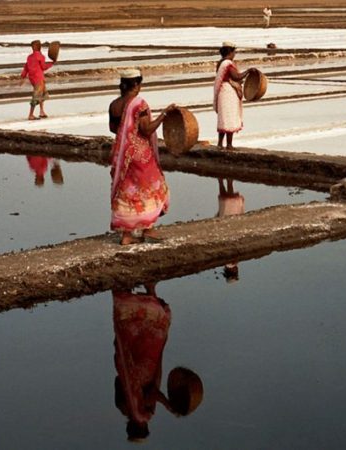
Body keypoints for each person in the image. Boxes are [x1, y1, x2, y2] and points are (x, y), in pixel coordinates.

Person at [113, 284, 203, 442]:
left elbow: (151, 393)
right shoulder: (129, 408)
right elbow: (119, 381)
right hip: (139, 367)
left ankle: (149, 290)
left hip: (144, 369)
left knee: (149, 335)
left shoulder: (142, 412)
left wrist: (168, 405)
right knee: (136, 335)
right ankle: (133, 289)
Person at [108, 69, 174, 245]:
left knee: (127, 189)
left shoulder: (114, 104)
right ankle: (148, 228)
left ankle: (127, 235)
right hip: (139, 154)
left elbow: (113, 129)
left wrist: (127, 135)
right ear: (136, 85)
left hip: (123, 152)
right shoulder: (139, 104)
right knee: (151, 187)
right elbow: (147, 129)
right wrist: (164, 114)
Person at [213, 42, 248, 150]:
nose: (235, 54)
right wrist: (248, 71)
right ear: (230, 52)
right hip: (228, 92)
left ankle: (220, 144)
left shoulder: (221, 63)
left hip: (223, 92)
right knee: (229, 118)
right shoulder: (228, 63)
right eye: (234, 52)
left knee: (223, 118)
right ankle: (229, 144)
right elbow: (236, 76)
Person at [216, 178, 245, 283]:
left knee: (230, 201)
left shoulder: (234, 261)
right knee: (224, 200)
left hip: (230, 220)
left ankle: (228, 181)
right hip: (225, 221)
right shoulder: (226, 261)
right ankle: (221, 180)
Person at [19, 40, 54, 120]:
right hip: (38, 78)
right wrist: (51, 63)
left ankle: (42, 112)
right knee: (36, 96)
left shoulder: (29, 57)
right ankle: (30, 115)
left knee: (41, 94)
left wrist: (22, 77)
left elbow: (26, 68)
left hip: (32, 78)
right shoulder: (41, 57)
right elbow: (43, 67)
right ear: (39, 47)